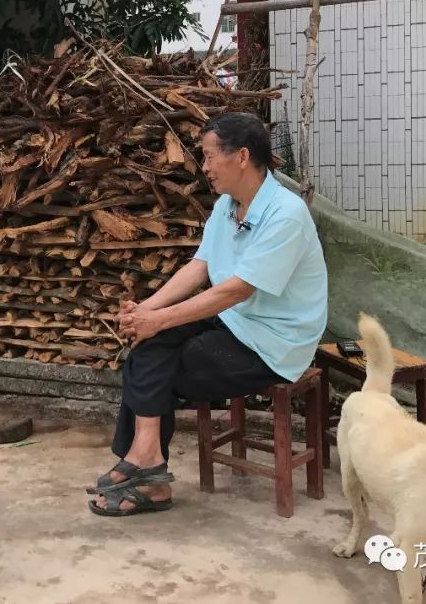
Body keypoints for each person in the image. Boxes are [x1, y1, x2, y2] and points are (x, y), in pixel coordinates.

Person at [87, 112, 328, 516]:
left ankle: (145, 467)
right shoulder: (227, 206)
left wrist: (160, 320)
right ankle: (148, 464)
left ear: (242, 156)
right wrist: (145, 311)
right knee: (147, 345)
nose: (204, 167)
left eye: (209, 156)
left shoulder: (285, 214)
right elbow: (199, 266)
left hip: (274, 341)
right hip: (236, 320)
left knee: (166, 366)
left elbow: (237, 289)